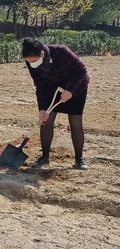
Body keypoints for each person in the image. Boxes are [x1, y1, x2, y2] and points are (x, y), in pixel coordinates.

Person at [21, 38, 90, 170]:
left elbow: (82, 72)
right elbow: (39, 85)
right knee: (46, 120)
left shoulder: (62, 52)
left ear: (42, 53)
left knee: (75, 122)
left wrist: (70, 90)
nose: (32, 64)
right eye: (29, 62)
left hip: (75, 87)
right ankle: (44, 157)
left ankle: (79, 159)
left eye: (34, 61)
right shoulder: (30, 60)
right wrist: (42, 108)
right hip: (51, 89)